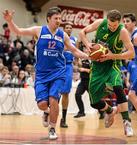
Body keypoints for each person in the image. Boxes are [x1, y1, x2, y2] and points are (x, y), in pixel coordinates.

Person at [3, 7, 89, 140]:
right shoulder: (39, 30)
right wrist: (10, 21)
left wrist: (89, 56)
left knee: (53, 99)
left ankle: (53, 128)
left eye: (60, 18)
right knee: (42, 104)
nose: (59, 21)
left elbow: (74, 51)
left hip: (58, 73)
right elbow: (18, 31)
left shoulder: (63, 35)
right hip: (42, 74)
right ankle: (46, 112)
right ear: (48, 19)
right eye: (56, 18)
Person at [79, 9, 134, 137]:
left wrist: (111, 56)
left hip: (112, 65)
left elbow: (132, 53)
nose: (112, 28)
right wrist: (88, 45)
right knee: (94, 102)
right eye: (110, 25)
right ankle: (110, 110)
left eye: (114, 26)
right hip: (97, 67)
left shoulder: (122, 32)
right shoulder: (100, 23)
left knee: (118, 88)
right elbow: (82, 32)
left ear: (119, 23)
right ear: (107, 20)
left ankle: (127, 122)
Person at [60, 22, 77, 128]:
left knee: (65, 93)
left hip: (69, 66)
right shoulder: (58, 37)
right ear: (63, 29)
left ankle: (63, 119)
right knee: (55, 93)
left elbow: (76, 52)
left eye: (71, 28)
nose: (69, 29)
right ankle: (48, 113)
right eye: (67, 27)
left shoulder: (74, 40)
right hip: (58, 65)